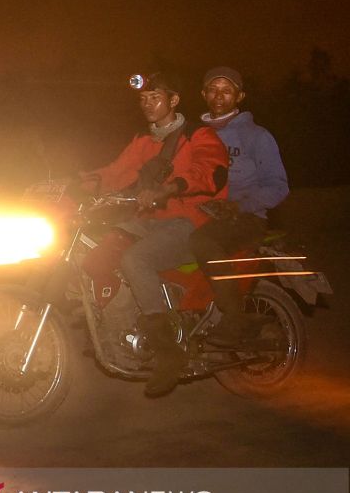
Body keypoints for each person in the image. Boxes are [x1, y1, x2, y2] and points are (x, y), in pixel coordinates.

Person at [80, 71, 229, 397]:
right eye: (143, 99)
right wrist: (72, 183)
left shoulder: (198, 136)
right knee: (96, 255)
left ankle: (168, 351)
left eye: (155, 98)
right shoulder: (144, 142)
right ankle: (119, 335)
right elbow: (115, 173)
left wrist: (169, 188)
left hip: (190, 222)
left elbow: (210, 173)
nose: (148, 105)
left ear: (174, 100)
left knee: (136, 259)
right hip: (149, 220)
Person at [188, 66, 290, 346]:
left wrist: (238, 205)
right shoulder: (193, 135)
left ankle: (233, 318)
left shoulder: (256, 136)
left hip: (245, 219)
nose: (219, 96)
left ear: (239, 96)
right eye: (213, 89)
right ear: (203, 94)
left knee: (202, 241)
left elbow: (278, 186)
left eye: (227, 90)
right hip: (199, 215)